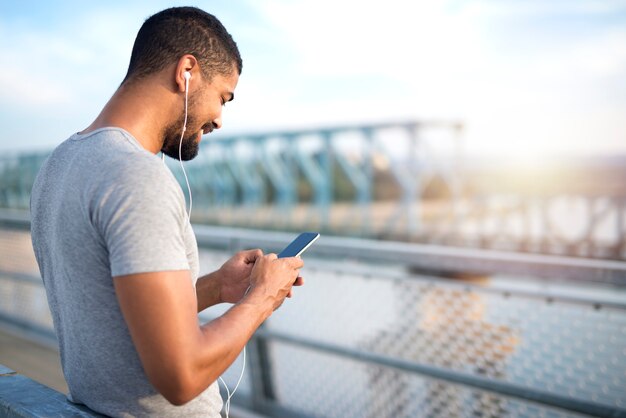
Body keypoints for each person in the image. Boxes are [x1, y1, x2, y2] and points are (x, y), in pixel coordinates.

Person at [29, 6, 304, 418]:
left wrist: (217, 288)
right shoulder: (136, 178)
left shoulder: (59, 164)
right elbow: (180, 376)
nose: (219, 120)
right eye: (223, 98)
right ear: (187, 71)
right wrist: (262, 298)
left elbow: (113, 314)